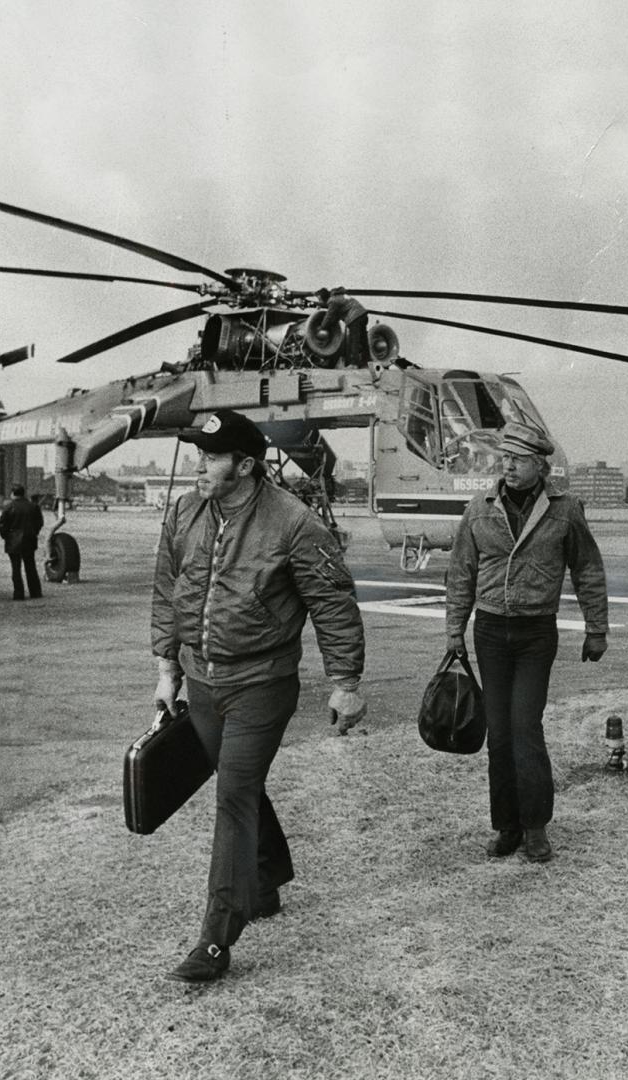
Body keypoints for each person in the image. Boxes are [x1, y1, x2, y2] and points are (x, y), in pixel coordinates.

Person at [151, 409, 367, 984]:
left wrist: (346, 684)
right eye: (198, 454)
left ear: (245, 466)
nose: (200, 465)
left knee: (233, 796)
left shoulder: (294, 523)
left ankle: (215, 940)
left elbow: (333, 604)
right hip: (201, 680)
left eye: (211, 456)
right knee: (237, 783)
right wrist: (167, 665)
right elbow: (168, 590)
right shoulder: (185, 511)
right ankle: (266, 879)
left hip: (261, 684)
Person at [444, 421, 609, 864]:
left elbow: (588, 570)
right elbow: (461, 573)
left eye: (518, 459)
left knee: (525, 728)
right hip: (491, 633)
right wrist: (454, 630)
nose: (508, 466)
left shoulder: (565, 510)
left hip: (537, 633)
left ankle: (536, 826)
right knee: (498, 734)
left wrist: (597, 628)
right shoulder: (478, 508)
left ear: (540, 466)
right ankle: (508, 826)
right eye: (505, 458)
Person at [0, 484, 44, 601]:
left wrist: (6, 536)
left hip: (13, 540)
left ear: (13, 493)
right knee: (31, 567)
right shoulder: (33, 506)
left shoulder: (8, 507)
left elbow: (2, 525)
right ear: (23, 493)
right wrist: (34, 532)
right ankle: (35, 592)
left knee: (16, 568)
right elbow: (39, 522)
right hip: (29, 539)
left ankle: (18, 593)